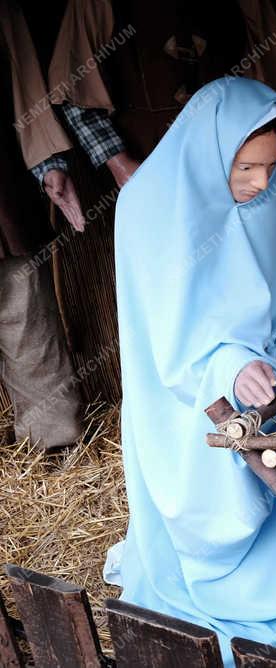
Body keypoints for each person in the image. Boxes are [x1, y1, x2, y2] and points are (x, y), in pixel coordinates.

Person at [106, 76, 276, 663]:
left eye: (271, 166)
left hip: (257, 387)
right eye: (245, 168)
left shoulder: (270, 192)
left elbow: (275, 301)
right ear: (212, 151)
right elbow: (165, 335)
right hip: (182, 403)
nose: (262, 183)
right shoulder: (148, 206)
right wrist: (228, 361)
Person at [0, 0, 83, 451]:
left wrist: (47, 163)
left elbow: (24, 77)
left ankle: (52, 444)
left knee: (24, 319)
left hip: (3, 199)